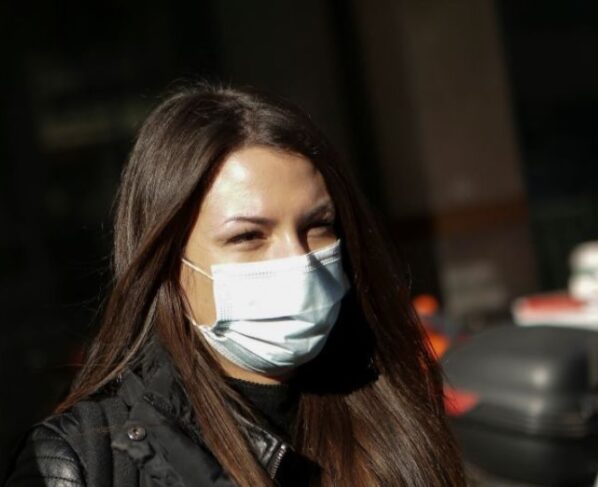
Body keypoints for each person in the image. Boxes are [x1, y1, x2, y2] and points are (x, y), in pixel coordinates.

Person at [4, 83, 465, 486]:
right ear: (167, 264)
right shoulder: (82, 462)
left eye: (318, 226)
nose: (298, 259)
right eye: (247, 236)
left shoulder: (393, 409)